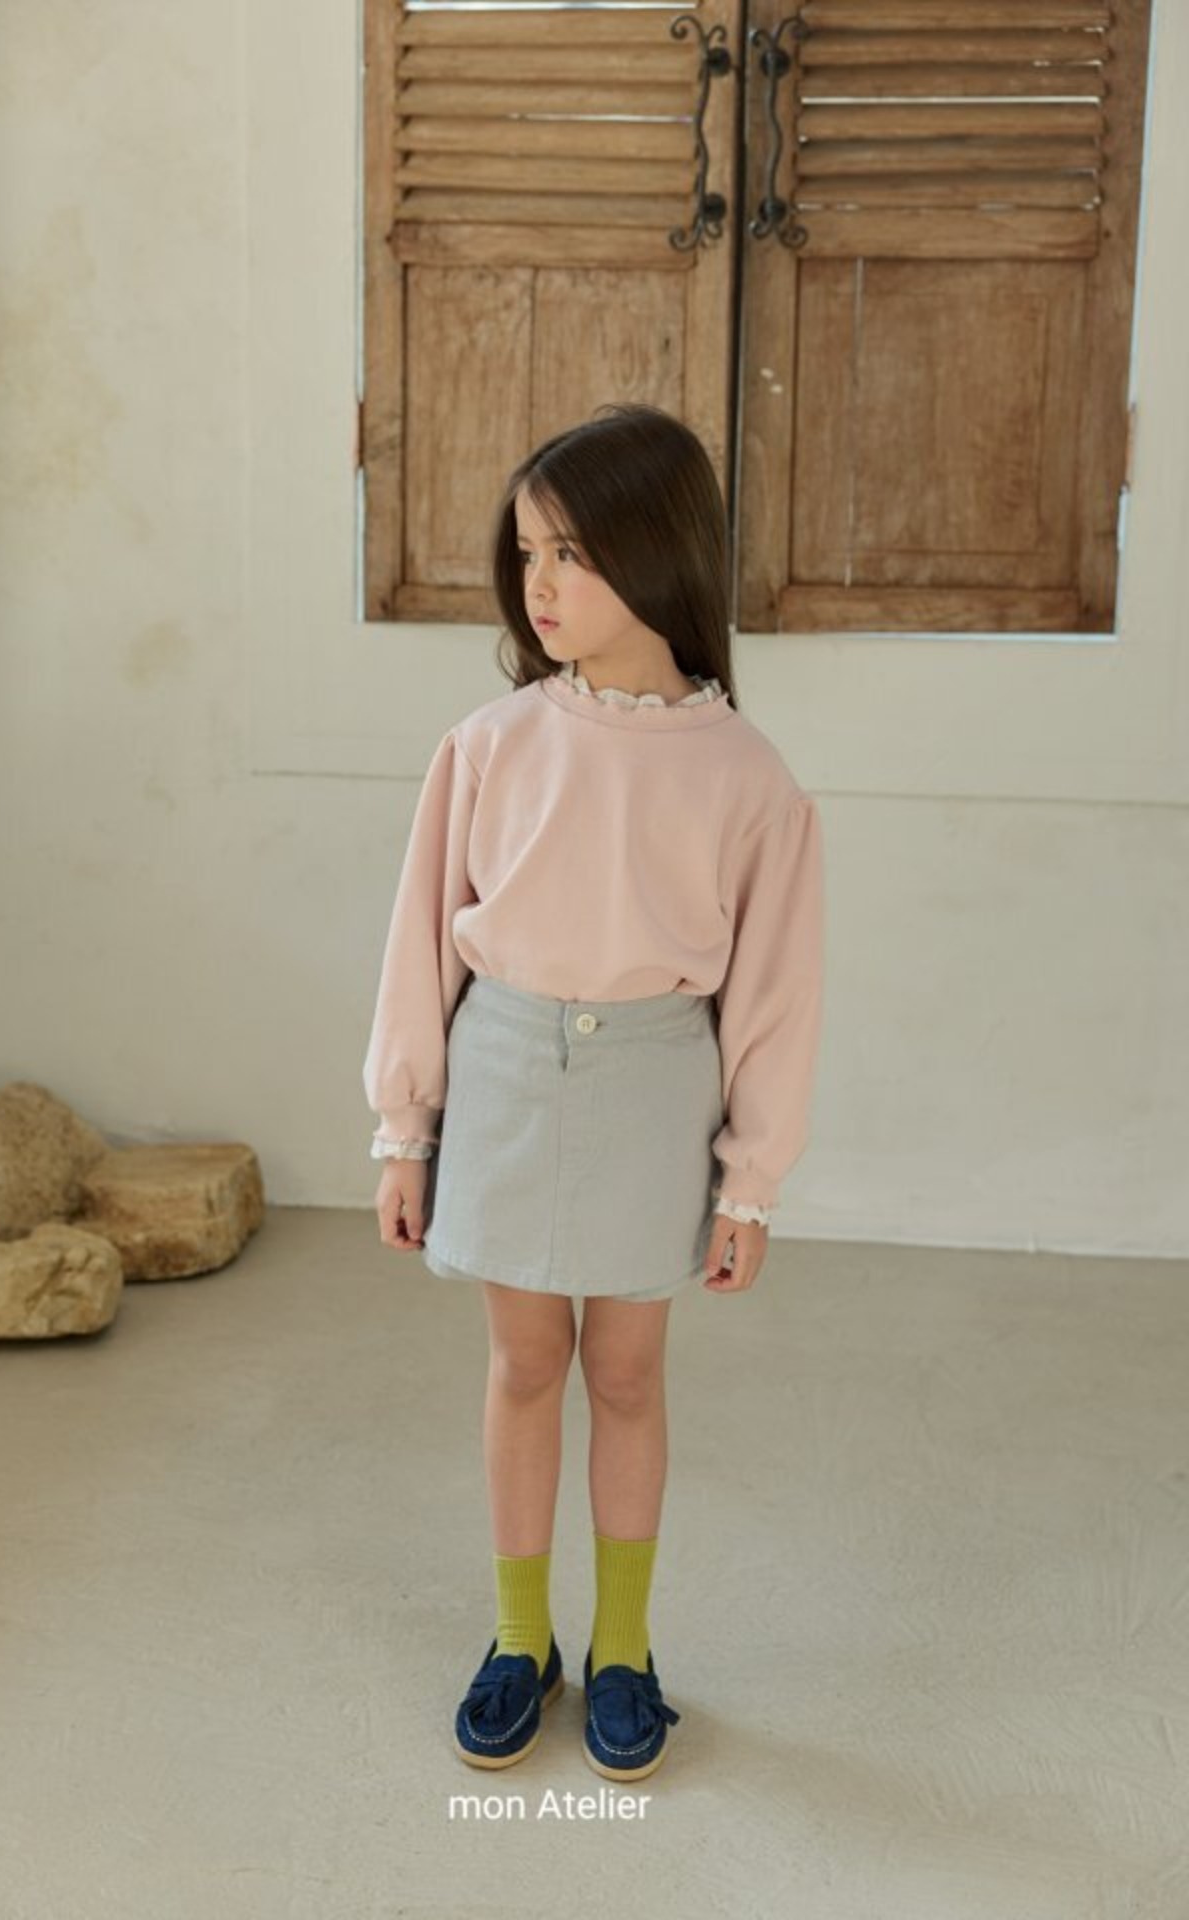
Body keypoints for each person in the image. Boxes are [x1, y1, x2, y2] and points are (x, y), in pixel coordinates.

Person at [363, 402, 825, 1783]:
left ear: (656, 551)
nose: (540, 586)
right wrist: (405, 1129)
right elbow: (419, 942)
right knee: (523, 1363)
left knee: (624, 1372)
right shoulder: (489, 744)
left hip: (654, 1089)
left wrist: (751, 1183)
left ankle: (623, 1648)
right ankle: (524, 1639)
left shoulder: (748, 778)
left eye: (569, 553)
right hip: (505, 1073)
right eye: (527, 554)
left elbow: (775, 998)